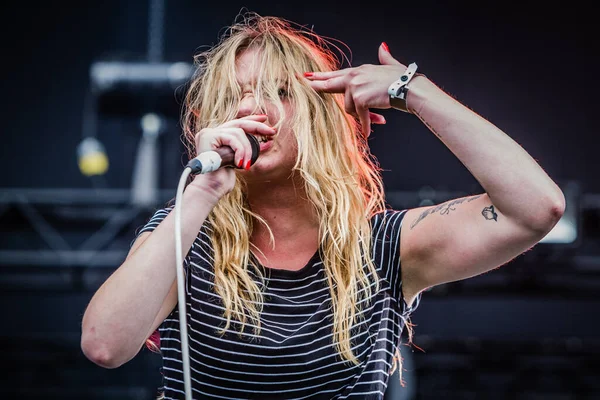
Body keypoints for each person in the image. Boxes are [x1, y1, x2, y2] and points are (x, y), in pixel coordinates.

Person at [80, 12, 565, 399]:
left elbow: (535, 208)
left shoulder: (383, 246)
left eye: (281, 93)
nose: (253, 108)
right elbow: (104, 345)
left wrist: (413, 90)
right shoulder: (184, 231)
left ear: (320, 116)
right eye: (235, 96)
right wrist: (202, 194)